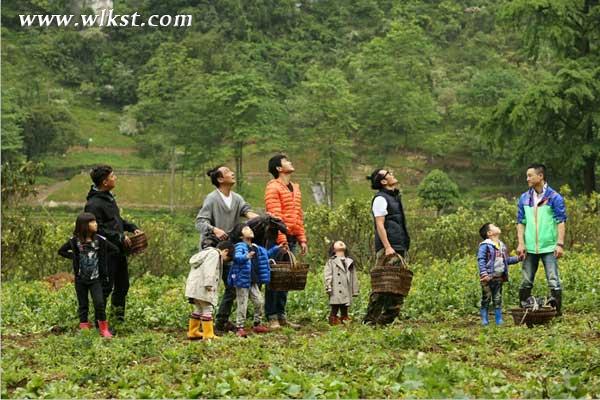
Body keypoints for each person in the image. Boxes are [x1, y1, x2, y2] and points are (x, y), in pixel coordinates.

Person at [195, 166, 259, 333]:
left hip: (230, 250)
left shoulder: (237, 198)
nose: (232, 173)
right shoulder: (211, 199)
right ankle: (204, 321)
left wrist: (262, 218)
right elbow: (200, 222)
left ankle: (220, 322)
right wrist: (215, 229)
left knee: (231, 285)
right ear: (220, 179)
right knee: (210, 286)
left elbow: (247, 211)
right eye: (228, 171)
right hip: (212, 250)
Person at [84, 165, 142, 325]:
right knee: (105, 288)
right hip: (105, 251)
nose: (115, 178)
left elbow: (117, 221)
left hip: (118, 250)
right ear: (104, 182)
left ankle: (117, 320)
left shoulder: (108, 198)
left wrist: (132, 227)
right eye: (112, 176)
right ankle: (99, 322)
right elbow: (97, 229)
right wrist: (118, 235)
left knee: (122, 286)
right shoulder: (94, 204)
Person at [58, 212, 120, 338]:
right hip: (80, 279)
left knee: (99, 303)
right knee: (83, 304)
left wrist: (102, 258)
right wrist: (75, 257)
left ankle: (104, 329)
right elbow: (61, 251)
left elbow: (115, 250)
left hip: (95, 279)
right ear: (84, 225)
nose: (96, 224)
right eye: (92, 222)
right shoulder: (74, 241)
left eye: (95, 221)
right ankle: (84, 328)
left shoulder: (100, 240)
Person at [516, 163, 567, 316]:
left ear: (540, 176)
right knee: (526, 281)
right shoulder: (524, 198)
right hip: (530, 247)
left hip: (549, 247)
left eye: (530, 175)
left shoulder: (554, 197)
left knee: (553, 280)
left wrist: (559, 244)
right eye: (527, 176)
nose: (527, 179)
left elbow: (561, 221)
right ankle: (525, 311)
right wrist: (521, 243)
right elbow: (520, 222)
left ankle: (557, 313)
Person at [264, 154, 308, 329]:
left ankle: (281, 315)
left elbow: (298, 215)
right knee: (275, 276)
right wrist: (282, 239)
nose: (290, 162)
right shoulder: (273, 187)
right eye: (286, 161)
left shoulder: (295, 188)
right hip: (277, 237)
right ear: (279, 168)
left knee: (287, 277)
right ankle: (271, 315)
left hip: (292, 237)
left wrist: (301, 238)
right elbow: (275, 216)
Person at [363, 168, 410, 325]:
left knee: (398, 284)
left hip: (399, 244)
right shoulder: (380, 199)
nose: (392, 174)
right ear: (383, 181)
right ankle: (370, 320)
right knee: (383, 284)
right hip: (389, 247)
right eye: (388, 173)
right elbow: (380, 225)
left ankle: (385, 321)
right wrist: (388, 247)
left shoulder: (395, 197)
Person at [228, 223, 282, 337]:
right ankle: (240, 327)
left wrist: (278, 248)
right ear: (240, 235)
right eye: (246, 229)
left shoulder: (255, 247)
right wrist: (246, 256)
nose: (250, 229)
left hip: (253, 280)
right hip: (242, 280)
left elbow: (266, 254)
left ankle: (257, 324)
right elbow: (236, 257)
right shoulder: (240, 246)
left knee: (259, 301)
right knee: (242, 303)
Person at [185, 241, 235, 341]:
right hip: (203, 286)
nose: (224, 261)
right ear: (225, 251)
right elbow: (209, 269)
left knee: (199, 308)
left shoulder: (205, 253)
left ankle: (193, 332)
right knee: (207, 309)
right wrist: (209, 284)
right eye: (227, 258)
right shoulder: (214, 254)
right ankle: (208, 334)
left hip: (195, 287)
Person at [477, 223, 521, 326]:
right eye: (494, 226)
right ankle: (484, 318)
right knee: (486, 298)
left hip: (499, 277)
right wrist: (484, 274)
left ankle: (498, 319)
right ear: (489, 233)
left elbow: (506, 260)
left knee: (498, 298)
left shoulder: (502, 246)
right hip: (487, 277)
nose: (497, 226)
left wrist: (518, 258)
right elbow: (481, 259)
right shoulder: (485, 245)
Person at [324, 240, 359, 325]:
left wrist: (355, 290)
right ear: (333, 249)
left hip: (346, 288)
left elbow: (354, 277)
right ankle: (333, 320)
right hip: (336, 288)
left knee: (345, 307)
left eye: (342, 242)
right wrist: (328, 286)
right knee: (335, 307)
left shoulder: (350, 261)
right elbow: (327, 274)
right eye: (337, 243)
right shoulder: (331, 262)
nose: (341, 243)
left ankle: (344, 319)